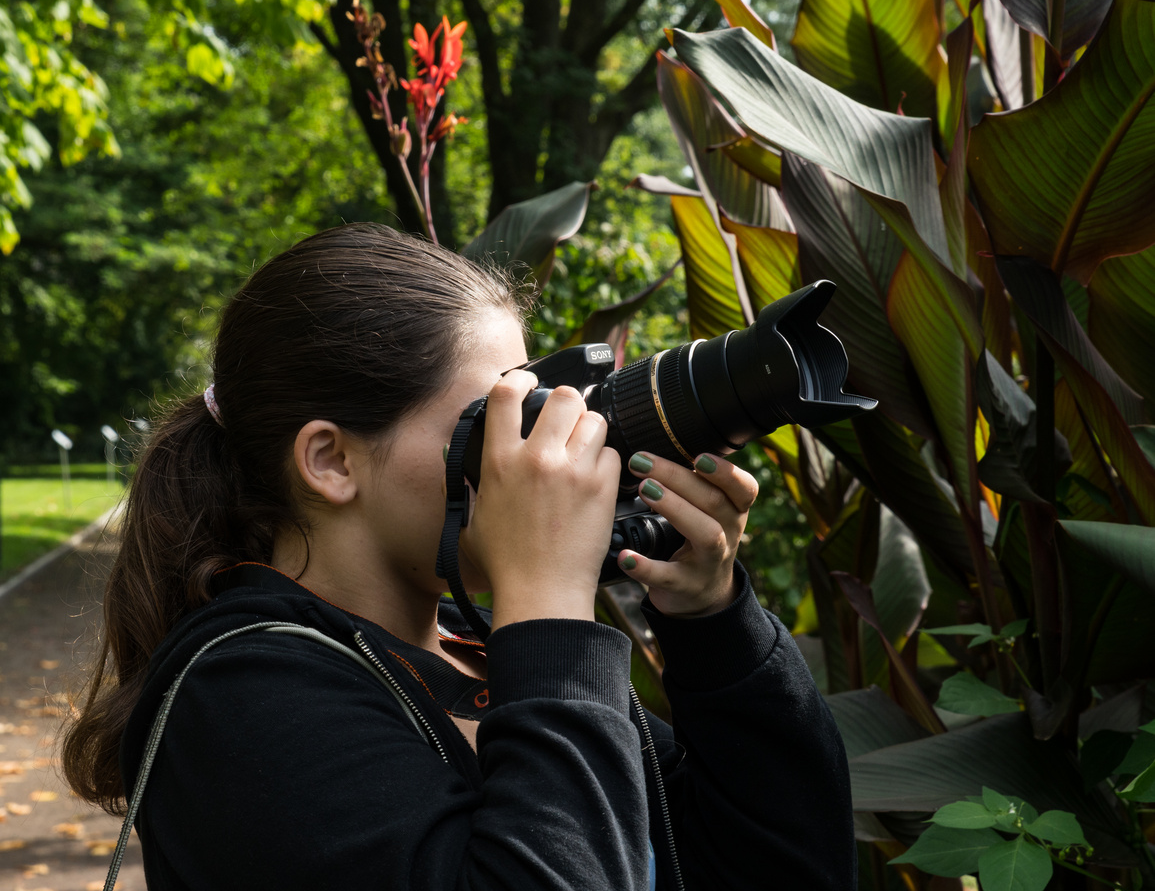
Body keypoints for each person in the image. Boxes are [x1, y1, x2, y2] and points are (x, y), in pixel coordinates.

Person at [62, 222, 856, 889]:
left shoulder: (478, 654)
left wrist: (713, 623)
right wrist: (546, 598)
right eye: (495, 420)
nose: (532, 454)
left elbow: (787, 867)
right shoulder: (242, 698)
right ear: (331, 461)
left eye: (533, 405)